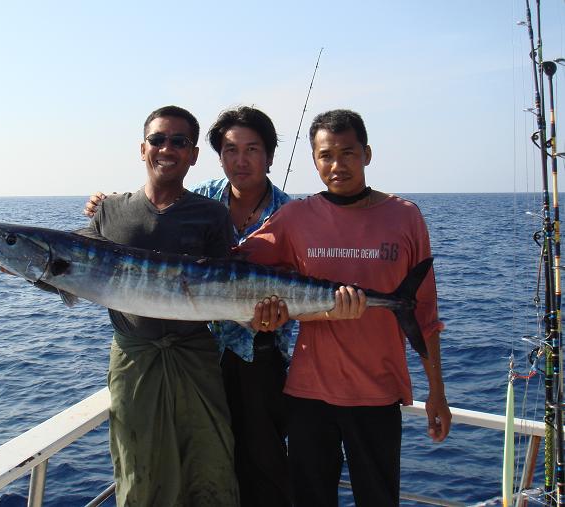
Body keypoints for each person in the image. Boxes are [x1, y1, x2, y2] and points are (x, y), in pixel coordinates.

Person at [84, 106, 365, 507]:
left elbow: (308, 285)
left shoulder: (295, 213)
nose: (241, 159)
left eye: (252, 149)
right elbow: (156, 219)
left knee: (262, 466)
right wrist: (103, 205)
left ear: (269, 156)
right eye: (231, 150)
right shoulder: (206, 200)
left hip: (259, 356)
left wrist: (295, 312)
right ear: (216, 156)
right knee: (198, 459)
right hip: (202, 352)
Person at [242, 109, 451, 507]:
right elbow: (233, 259)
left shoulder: (405, 216)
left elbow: (425, 314)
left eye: (348, 153)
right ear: (314, 160)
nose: (337, 165)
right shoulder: (294, 217)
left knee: (378, 499)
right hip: (308, 395)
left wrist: (436, 392)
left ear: (367, 154)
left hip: (378, 394)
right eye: (325, 155)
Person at [82, 105, 241, 506]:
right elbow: (71, 270)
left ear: (193, 154)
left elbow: (230, 287)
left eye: (179, 141)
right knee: (138, 468)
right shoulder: (109, 210)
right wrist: (19, 265)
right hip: (134, 360)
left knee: (210, 464)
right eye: (157, 139)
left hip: (195, 357)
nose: (166, 148)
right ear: (142, 148)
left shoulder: (212, 214)